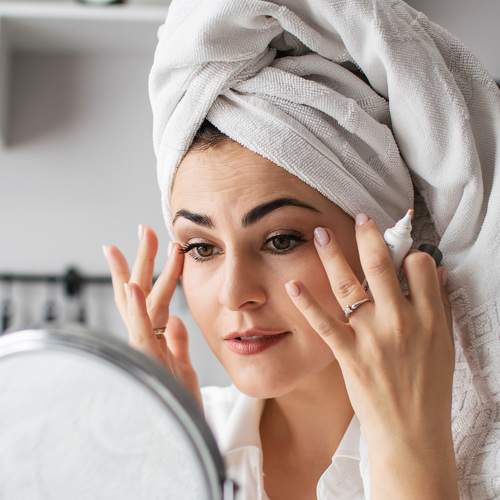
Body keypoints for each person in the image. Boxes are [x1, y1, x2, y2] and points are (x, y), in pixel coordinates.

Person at [102, 118, 458, 500]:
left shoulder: (480, 446)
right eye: (202, 248)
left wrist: (408, 449)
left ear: (382, 249)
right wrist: (177, 468)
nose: (234, 294)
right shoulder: (167, 445)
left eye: (281, 241)